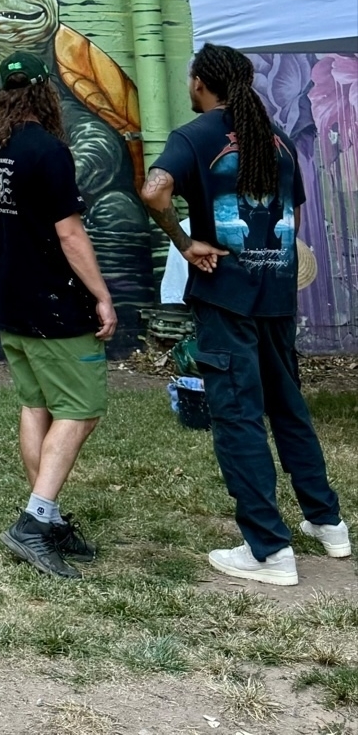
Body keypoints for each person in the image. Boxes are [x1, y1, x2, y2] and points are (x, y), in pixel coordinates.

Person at [141, 43, 349, 586]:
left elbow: (154, 191)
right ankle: (329, 525)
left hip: (225, 297)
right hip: (276, 296)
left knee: (237, 416)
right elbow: (294, 211)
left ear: (200, 83)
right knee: (288, 409)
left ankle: (268, 551)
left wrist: (186, 244)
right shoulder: (276, 138)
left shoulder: (195, 137)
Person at [0, 49, 118, 580]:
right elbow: (69, 233)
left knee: (37, 404)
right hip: (55, 303)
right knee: (81, 409)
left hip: (12, 299)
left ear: (4, 95)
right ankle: (34, 522)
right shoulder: (49, 150)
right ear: (44, 92)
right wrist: (101, 294)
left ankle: (48, 514)